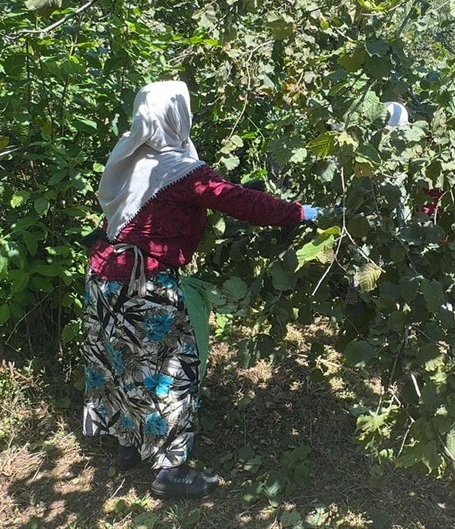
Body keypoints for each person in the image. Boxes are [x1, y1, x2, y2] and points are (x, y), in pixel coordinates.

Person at [82, 80, 319, 499]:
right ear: (177, 116)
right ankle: (169, 471)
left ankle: (127, 445)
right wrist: (300, 212)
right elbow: (243, 203)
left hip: (103, 279)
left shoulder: (128, 156)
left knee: (121, 363)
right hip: (144, 285)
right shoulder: (180, 171)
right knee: (173, 370)